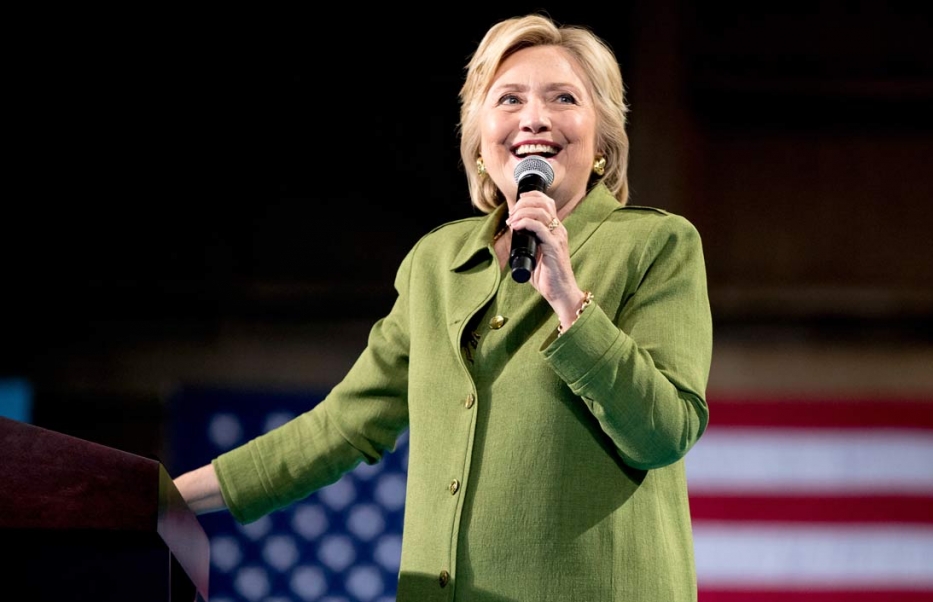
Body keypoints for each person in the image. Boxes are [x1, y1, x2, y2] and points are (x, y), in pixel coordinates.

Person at [174, 12, 713, 602]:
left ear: (604, 138)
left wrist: (569, 300)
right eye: (509, 99)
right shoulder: (435, 264)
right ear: (480, 141)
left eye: (563, 98)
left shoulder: (656, 245)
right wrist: (164, 499)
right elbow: (341, 426)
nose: (534, 118)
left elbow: (665, 432)